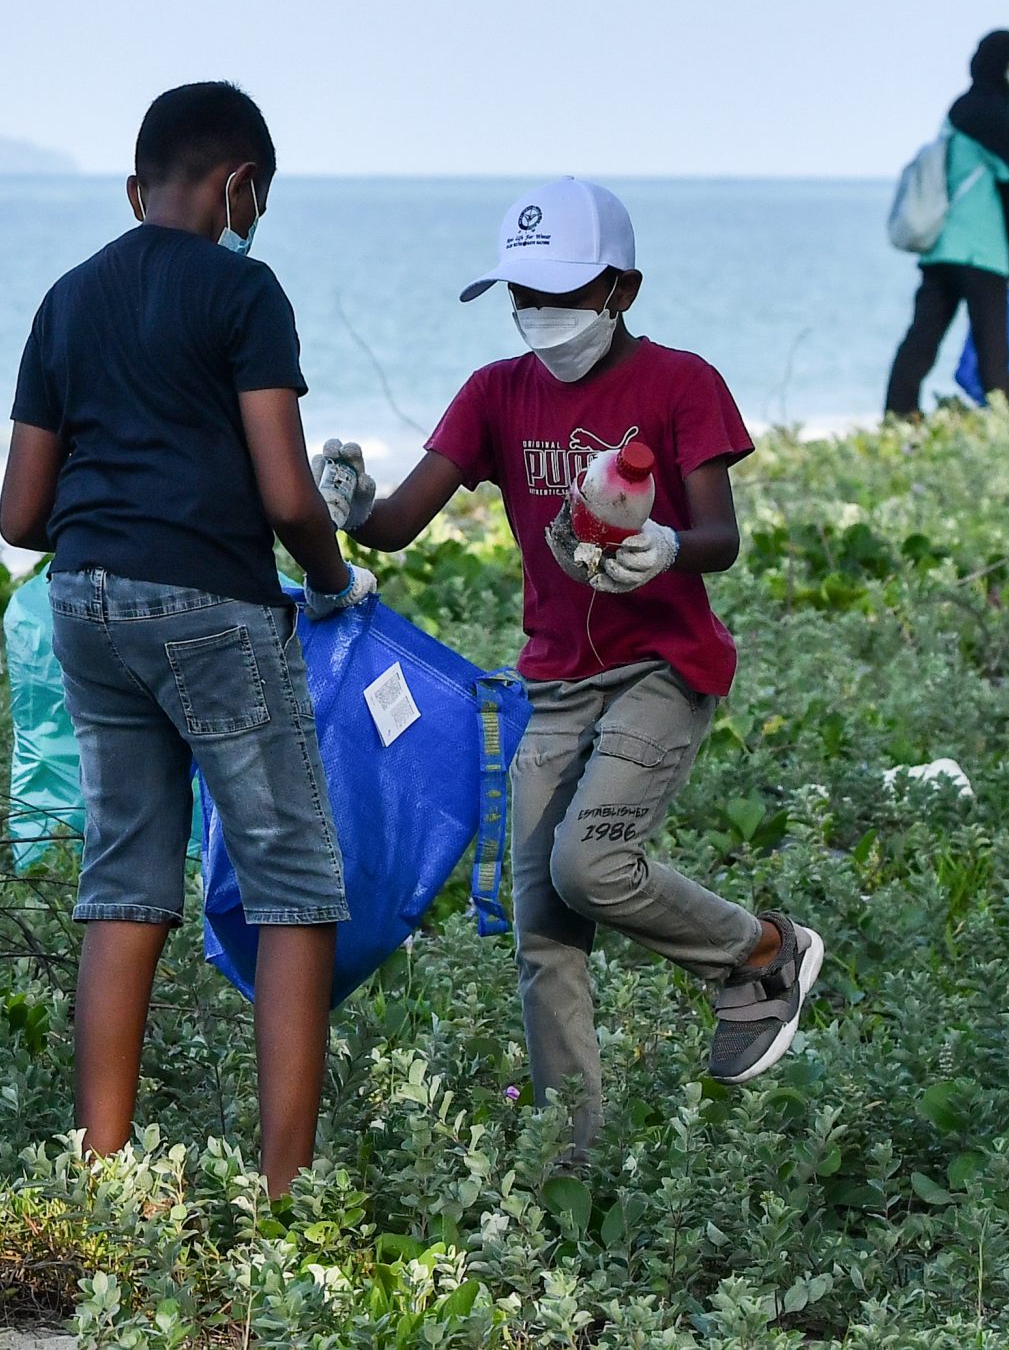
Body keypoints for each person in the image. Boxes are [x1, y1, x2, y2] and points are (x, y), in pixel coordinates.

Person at [308, 177, 822, 1159]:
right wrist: (346, 502)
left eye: (560, 291)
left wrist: (670, 543)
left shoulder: (680, 383)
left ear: (620, 287)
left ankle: (762, 951)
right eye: (521, 293)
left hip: (663, 668)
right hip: (553, 680)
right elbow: (398, 524)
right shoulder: (495, 393)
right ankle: (569, 1163)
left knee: (591, 863)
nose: (538, 314)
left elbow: (720, 534)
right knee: (541, 921)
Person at [0, 81, 374, 1200]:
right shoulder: (244, 290)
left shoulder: (67, 299)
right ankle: (283, 1196)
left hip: (85, 606)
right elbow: (284, 485)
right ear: (241, 185)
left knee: (123, 881)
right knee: (294, 885)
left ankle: (101, 1179)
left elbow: (19, 518)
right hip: (211, 607)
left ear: (135, 186)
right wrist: (327, 573)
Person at [884, 30, 1009, 415]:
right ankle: (1008, 426)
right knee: (994, 348)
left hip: (943, 249)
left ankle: (898, 417)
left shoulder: (961, 110)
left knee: (921, 341)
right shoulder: (991, 112)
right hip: (981, 250)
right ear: (1004, 62)